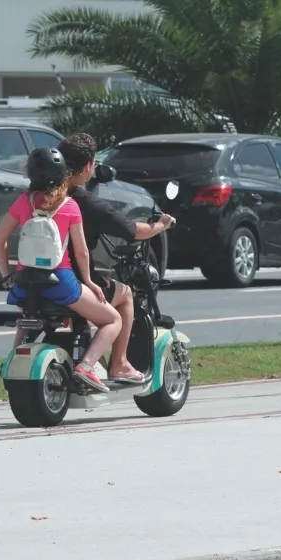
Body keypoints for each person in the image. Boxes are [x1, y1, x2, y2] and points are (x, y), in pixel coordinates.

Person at [0, 147, 121, 393]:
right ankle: (86, 366)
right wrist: (90, 283)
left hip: (25, 282)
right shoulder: (69, 206)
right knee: (112, 319)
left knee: (29, 316)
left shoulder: (22, 202)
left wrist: (6, 276)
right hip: (60, 281)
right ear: (63, 174)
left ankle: (12, 359)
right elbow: (82, 252)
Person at [57, 133, 176, 384]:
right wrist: (161, 225)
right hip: (73, 280)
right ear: (89, 166)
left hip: (37, 277)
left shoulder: (40, 197)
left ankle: (88, 352)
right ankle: (119, 364)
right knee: (124, 295)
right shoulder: (86, 203)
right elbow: (133, 231)